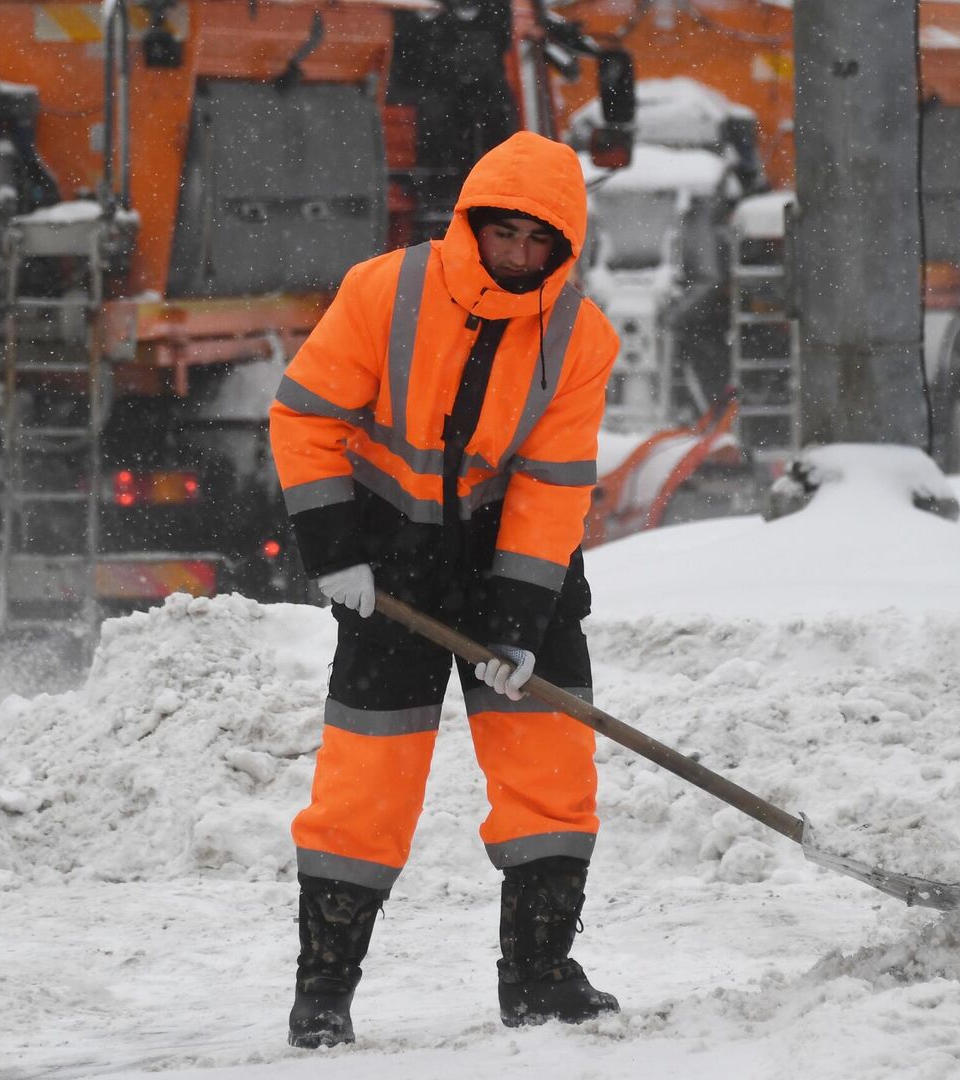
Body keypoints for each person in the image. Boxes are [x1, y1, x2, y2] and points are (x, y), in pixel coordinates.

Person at [268, 130, 621, 1048]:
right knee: (366, 782)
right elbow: (305, 420)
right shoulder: (385, 289)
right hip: (390, 569)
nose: (517, 254)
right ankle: (324, 993)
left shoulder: (580, 337)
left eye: (537, 241)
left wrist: (520, 621)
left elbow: (550, 489)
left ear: (563, 246)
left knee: (551, 770)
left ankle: (539, 976)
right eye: (503, 233)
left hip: (517, 570)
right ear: (472, 224)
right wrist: (336, 550)